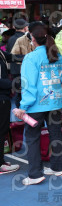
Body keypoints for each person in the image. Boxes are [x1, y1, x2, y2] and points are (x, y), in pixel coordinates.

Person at [14, 23, 62, 185]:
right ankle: (57, 167)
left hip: (36, 105)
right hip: (55, 102)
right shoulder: (58, 55)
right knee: (56, 134)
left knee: (33, 138)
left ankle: (35, 174)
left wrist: (23, 107)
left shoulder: (31, 58)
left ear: (32, 38)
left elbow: (28, 86)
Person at [0, 37, 17, 174]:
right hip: (1, 98)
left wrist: (31, 55)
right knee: (2, 129)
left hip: (4, 96)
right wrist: (15, 84)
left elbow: (11, 57)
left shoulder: (1, 53)